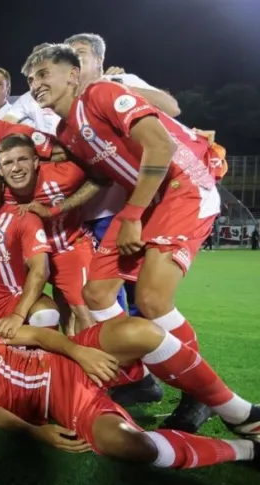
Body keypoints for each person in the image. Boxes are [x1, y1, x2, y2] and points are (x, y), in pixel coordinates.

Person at [23, 44, 228, 432]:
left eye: (44, 73)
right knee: (97, 294)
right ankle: (138, 377)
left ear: (73, 73)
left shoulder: (101, 92)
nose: (36, 84)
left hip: (182, 185)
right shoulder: (66, 131)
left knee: (151, 299)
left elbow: (161, 144)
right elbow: (99, 177)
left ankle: (201, 394)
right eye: (31, 79)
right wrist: (55, 209)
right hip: (145, 199)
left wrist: (132, 214)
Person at [0, 308, 260, 469]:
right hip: (62, 404)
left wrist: (78, 351)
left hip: (64, 361)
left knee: (140, 331)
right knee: (131, 446)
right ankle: (247, 450)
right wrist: (34, 432)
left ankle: (239, 413)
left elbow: (39, 335)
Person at [0, 134, 100, 332]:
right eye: (8, 163)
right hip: (28, 260)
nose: (16, 168)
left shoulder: (64, 174)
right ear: (0, 169)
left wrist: (55, 210)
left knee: (85, 311)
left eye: (22, 159)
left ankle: (96, 360)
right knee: (59, 314)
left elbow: (101, 178)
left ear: (36, 161)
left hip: (68, 247)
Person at [0, 158, 60, 332]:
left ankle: (51, 357)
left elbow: (40, 270)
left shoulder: (23, 217)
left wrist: (18, 315)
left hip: (14, 300)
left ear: (2, 186)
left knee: (46, 314)